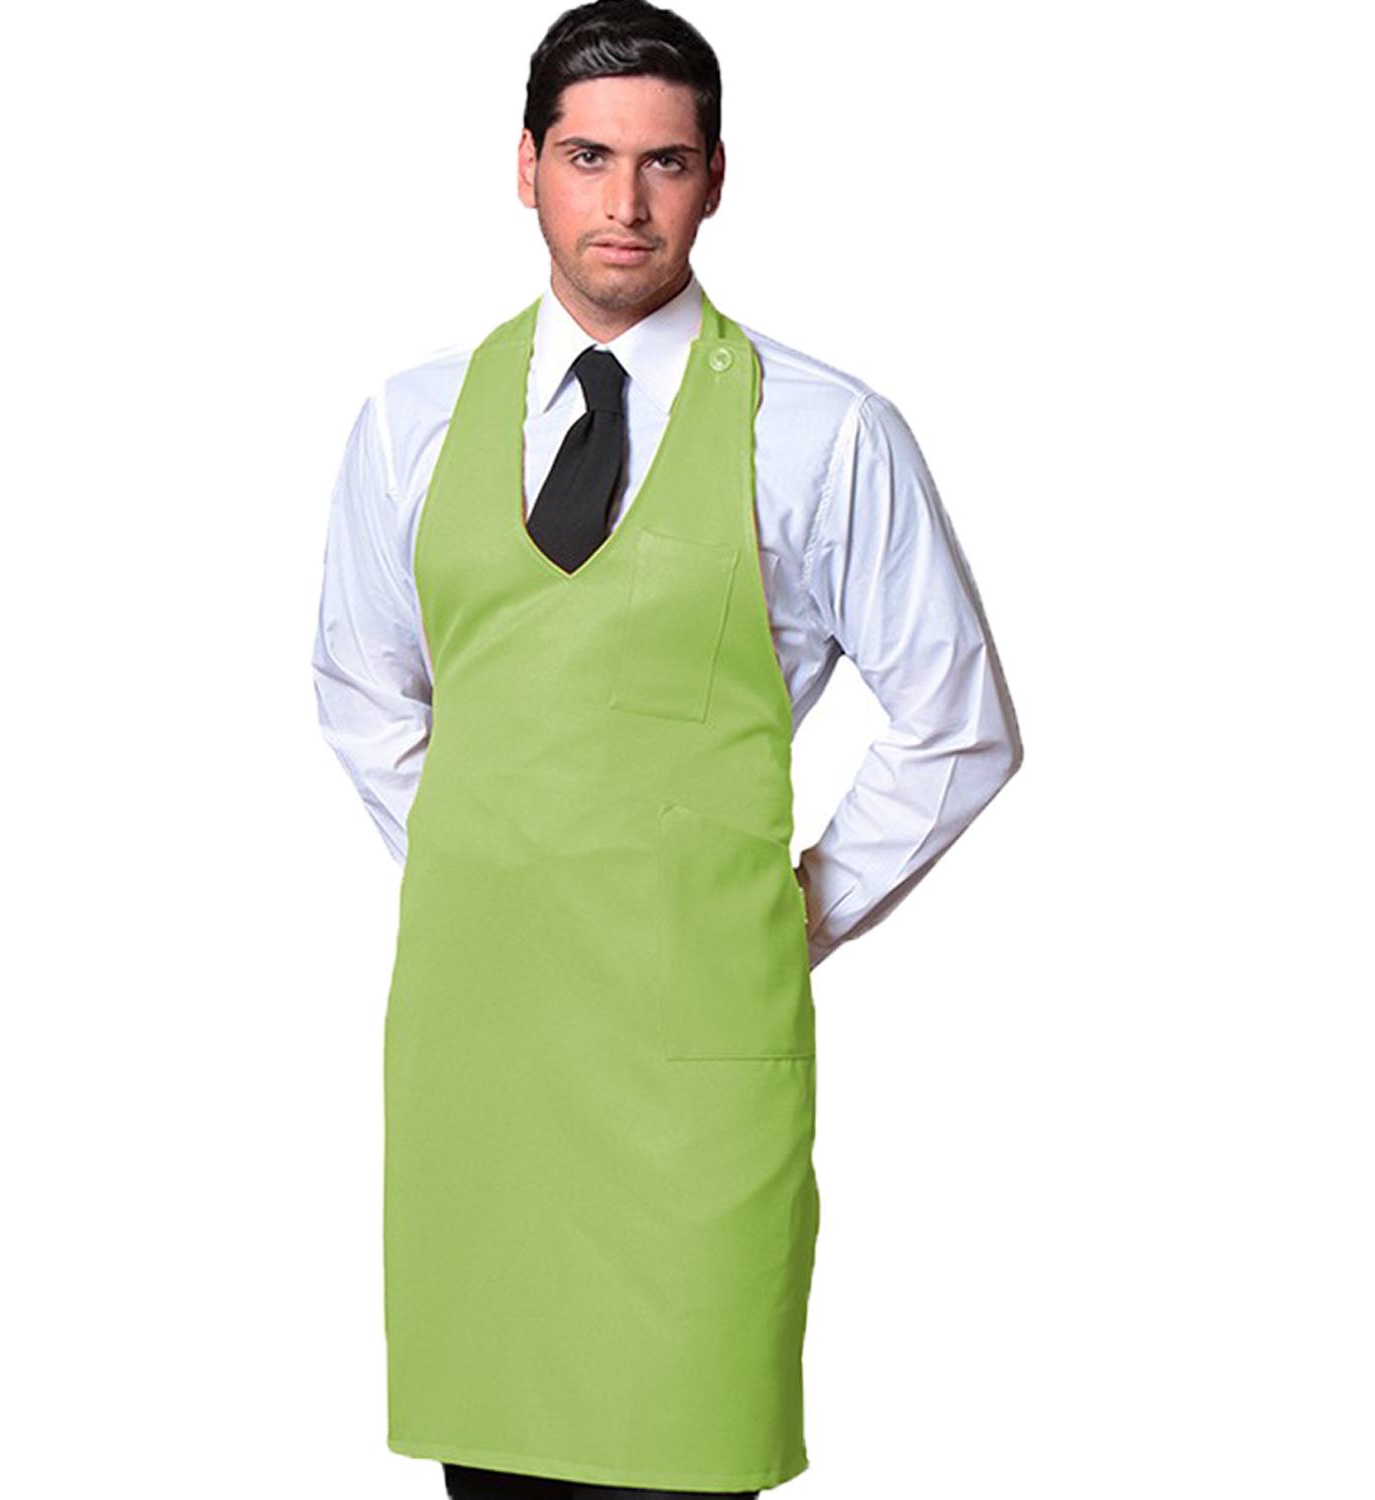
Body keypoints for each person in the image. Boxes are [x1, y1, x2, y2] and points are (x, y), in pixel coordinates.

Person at [310, 2, 1023, 1496]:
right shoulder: (406, 424)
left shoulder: (825, 432)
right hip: (481, 1052)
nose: (625, 202)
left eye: (665, 162)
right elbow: (365, 689)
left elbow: (958, 722)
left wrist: (795, 908)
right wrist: (493, 862)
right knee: (494, 1466)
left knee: (689, 1454)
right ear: (525, 167)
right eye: (588, 157)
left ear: (715, 179)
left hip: (693, 1056)